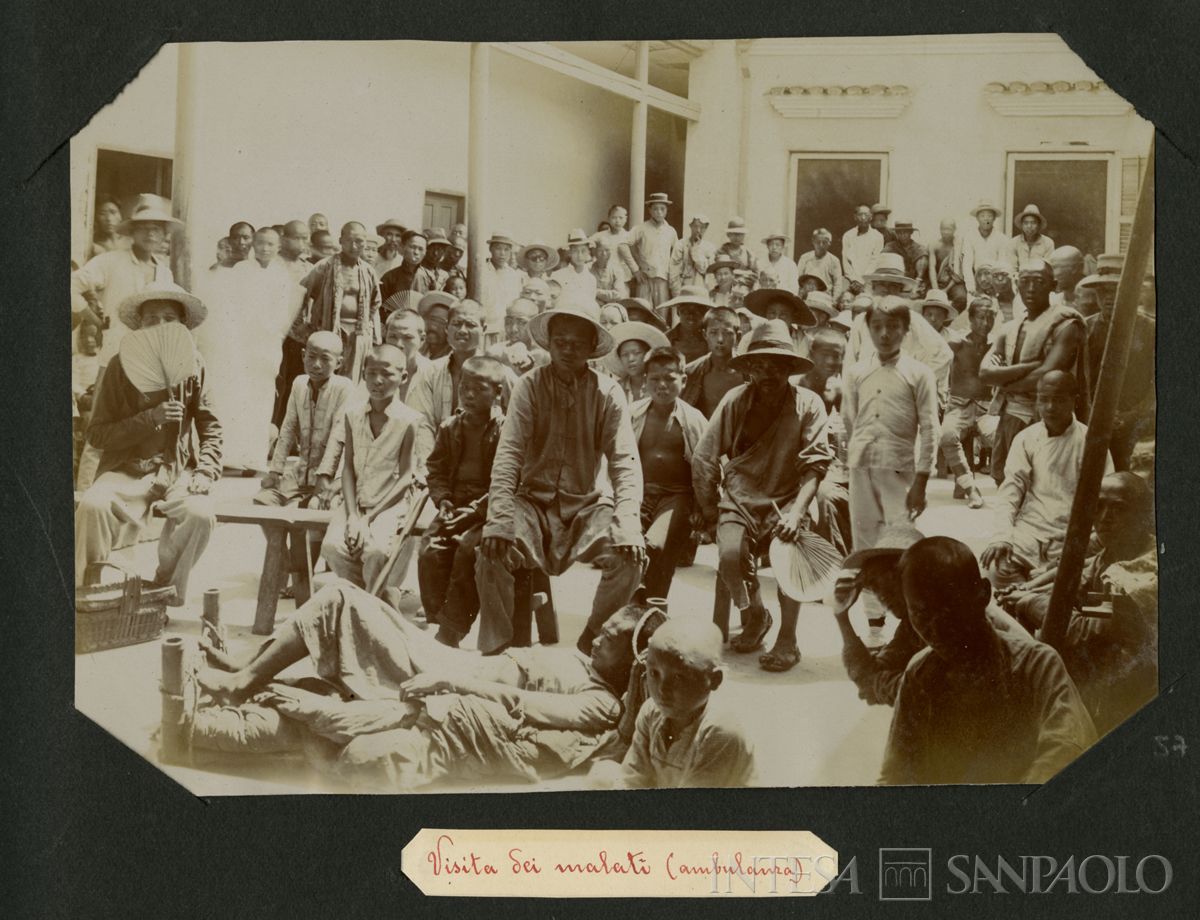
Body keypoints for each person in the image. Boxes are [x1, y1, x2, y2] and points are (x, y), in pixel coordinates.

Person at [476, 301, 646, 657]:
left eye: (577, 343)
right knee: (492, 549)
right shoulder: (529, 386)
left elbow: (625, 462)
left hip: (586, 505)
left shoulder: (607, 392)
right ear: (549, 344)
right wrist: (499, 520)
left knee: (630, 555)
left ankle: (594, 643)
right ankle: (497, 650)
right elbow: (508, 456)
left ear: (591, 349)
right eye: (561, 341)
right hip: (532, 503)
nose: (568, 350)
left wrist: (627, 521)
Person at [879, 536, 1096, 785]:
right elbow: (895, 773)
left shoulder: (1037, 665)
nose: (935, 628)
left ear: (983, 594)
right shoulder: (919, 673)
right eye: (919, 613)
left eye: (948, 609)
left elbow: (1067, 749)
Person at [693, 320, 833, 671]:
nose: (768, 374)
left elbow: (815, 466)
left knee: (791, 550)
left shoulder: (809, 403)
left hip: (789, 498)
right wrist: (711, 513)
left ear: (789, 368)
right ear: (750, 369)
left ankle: (788, 639)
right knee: (729, 555)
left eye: (776, 366)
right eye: (760, 365)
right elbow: (705, 457)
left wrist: (797, 512)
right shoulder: (736, 401)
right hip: (740, 497)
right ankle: (755, 613)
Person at [74, 285, 220, 606]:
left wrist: (207, 470)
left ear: (182, 326)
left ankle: (164, 587)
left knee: (201, 514)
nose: (159, 326)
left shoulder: (194, 365)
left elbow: (211, 425)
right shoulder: (118, 366)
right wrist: (150, 418)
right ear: (139, 326)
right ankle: (87, 594)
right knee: (92, 506)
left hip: (176, 470)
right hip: (126, 470)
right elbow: (97, 434)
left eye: (169, 319)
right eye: (151, 319)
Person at [998, 472, 1156, 735]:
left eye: (1118, 509)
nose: (1105, 517)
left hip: (1127, 694)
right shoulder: (1110, 555)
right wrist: (1025, 591)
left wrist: (1029, 602)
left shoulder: (1141, 571)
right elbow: (1078, 585)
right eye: (1099, 507)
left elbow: (1083, 628)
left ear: (1144, 517)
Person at [842, 297, 939, 639]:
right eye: (877, 327)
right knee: (866, 543)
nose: (885, 334)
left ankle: (907, 623)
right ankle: (874, 624)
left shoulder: (919, 373)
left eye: (893, 327)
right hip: (862, 466)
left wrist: (922, 480)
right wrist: (856, 456)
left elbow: (930, 427)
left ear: (906, 330)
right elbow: (850, 419)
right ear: (867, 329)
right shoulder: (856, 373)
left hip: (900, 470)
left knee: (900, 545)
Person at [981, 371, 1108, 587]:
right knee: (997, 568)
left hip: (1072, 536)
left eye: (1058, 400)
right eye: (1044, 399)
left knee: (1075, 578)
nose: (1050, 407)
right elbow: (1010, 492)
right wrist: (1002, 535)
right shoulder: (1026, 439)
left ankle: (1029, 595)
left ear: (1073, 401)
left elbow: (1104, 498)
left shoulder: (1091, 442)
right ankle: (1030, 595)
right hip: (1030, 532)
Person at [417, 356, 509, 648]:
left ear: (497, 393)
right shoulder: (450, 427)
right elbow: (436, 470)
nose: (469, 395)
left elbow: (507, 481)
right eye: (464, 387)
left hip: (491, 509)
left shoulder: (505, 431)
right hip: (455, 505)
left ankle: (452, 629)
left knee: (467, 550)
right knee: (431, 549)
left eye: (479, 389)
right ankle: (439, 618)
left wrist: (475, 511)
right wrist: (443, 499)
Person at [321, 344, 420, 590]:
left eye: (387, 374)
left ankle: (372, 600)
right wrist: (353, 515)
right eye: (371, 373)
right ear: (363, 374)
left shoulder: (409, 421)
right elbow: (347, 469)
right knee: (331, 547)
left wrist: (368, 519)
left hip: (389, 504)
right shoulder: (352, 415)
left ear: (403, 377)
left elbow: (407, 477)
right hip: (355, 501)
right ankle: (365, 596)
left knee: (375, 551)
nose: (378, 381)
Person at [979, 259, 1085, 486]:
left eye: (1038, 282)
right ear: (1017, 285)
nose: (1031, 288)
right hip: (1010, 415)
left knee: (1043, 484)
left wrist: (1005, 380)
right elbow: (986, 373)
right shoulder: (1010, 328)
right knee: (1006, 482)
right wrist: (1027, 367)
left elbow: (1047, 374)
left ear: (1053, 285)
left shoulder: (1066, 324)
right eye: (1025, 281)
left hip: (1047, 416)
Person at [201, 226, 296, 471]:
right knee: (239, 399)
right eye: (261, 243)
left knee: (262, 399)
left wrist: (271, 333)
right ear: (253, 245)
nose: (265, 248)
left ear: (278, 247)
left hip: (267, 345)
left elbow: (282, 313)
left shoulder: (282, 274)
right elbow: (232, 308)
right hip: (242, 345)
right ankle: (232, 455)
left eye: (270, 244)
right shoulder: (241, 271)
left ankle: (254, 457)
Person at [619, 618, 755, 788]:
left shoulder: (722, 732)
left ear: (714, 680)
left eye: (678, 677)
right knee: (603, 775)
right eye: (654, 673)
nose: (663, 689)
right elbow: (632, 778)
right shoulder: (651, 712)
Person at [628, 347, 707, 604]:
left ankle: (652, 607)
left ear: (683, 380)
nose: (662, 385)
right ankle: (631, 606)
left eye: (670, 378)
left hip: (676, 497)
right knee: (625, 547)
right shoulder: (633, 415)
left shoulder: (694, 420)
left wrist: (701, 507)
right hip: (638, 495)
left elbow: (707, 467)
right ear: (645, 381)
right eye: (654, 379)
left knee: (655, 546)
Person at [408, 299, 517, 471]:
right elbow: (423, 424)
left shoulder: (503, 374)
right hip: (439, 467)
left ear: (484, 329)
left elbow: (516, 424)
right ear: (447, 329)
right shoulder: (430, 372)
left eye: (470, 325)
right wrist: (430, 471)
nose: (462, 331)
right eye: (456, 324)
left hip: (490, 468)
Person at [71, 200, 179, 366]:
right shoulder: (110, 261)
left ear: (164, 235)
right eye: (143, 228)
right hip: (115, 351)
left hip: (151, 356)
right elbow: (71, 286)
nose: (150, 234)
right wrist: (96, 322)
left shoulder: (165, 273)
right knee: (109, 390)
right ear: (132, 232)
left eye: (156, 229)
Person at [1079, 260, 1155, 470]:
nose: (1109, 298)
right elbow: (1080, 383)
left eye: (1116, 290)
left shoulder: (1150, 329)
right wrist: (1093, 414)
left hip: (1138, 428)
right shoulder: (1085, 329)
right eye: (1102, 291)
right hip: (1093, 425)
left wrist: (1131, 417)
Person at [300, 221, 382, 383]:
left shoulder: (368, 271)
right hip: (329, 331)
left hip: (357, 335)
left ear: (365, 242)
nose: (354, 246)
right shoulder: (324, 267)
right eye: (349, 240)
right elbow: (302, 293)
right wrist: (304, 327)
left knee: (352, 383)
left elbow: (375, 302)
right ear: (340, 241)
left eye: (359, 241)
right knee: (326, 379)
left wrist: (368, 329)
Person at [939, 296, 998, 509]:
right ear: (971, 319)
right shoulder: (957, 343)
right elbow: (935, 360)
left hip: (986, 409)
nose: (985, 323)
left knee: (1003, 438)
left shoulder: (996, 345)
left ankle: (1008, 488)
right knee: (946, 434)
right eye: (981, 317)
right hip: (959, 406)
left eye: (990, 317)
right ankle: (969, 487)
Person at [801, 327, 852, 556]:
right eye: (825, 354)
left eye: (838, 355)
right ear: (812, 353)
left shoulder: (843, 389)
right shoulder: (798, 387)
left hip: (835, 467)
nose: (832, 361)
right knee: (823, 496)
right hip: (800, 466)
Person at [680, 305, 747, 418]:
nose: (720, 339)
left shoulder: (749, 375)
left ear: (738, 337)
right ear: (704, 335)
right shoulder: (690, 372)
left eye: (727, 333)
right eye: (714, 333)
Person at [624, 192, 678, 307]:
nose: (659, 212)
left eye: (662, 209)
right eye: (655, 209)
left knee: (662, 311)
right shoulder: (641, 228)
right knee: (643, 309)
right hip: (645, 277)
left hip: (663, 278)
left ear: (666, 210)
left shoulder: (671, 231)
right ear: (649, 210)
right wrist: (636, 269)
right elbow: (626, 244)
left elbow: (676, 254)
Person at [605, 320, 671, 404]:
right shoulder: (615, 389)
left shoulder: (661, 386)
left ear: (648, 355)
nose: (631, 359)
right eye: (625, 355)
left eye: (637, 353)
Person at [741, 287, 815, 358]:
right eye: (772, 313)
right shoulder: (750, 338)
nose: (777, 318)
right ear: (766, 314)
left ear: (792, 316)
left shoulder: (805, 341)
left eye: (783, 315)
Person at [380, 230, 438, 313]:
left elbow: (432, 307)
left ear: (425, 252)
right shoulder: (389, 277)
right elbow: (381, 308)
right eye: (413, 247)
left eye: (421, 249)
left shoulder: (429, 278)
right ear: (403, 248)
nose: (416, 252)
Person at [960, 199, 1008, 298]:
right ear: (977, 218)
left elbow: (1002, 264)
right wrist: (972, 288)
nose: (986, 219)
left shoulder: (1002, 238)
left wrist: (997, 286)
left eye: (989, 216)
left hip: (995, 282)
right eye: (982, 216)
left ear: (994, 218)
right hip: (976, 282)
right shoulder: (969, 237)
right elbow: (967, 265)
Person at [487, 297, 547, 375]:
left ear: (534, 325)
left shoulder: (544, 355)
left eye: (522, 323)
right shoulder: (495, 353)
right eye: (508, 322)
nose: (513, 329)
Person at [383, 309, 431, 405]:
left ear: (422, 339)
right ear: (385, 336)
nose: (399, 344)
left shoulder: (433, 374)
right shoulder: (374, 370)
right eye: (393, 336)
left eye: (407, 337)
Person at [479, 232, 524, 328]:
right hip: (485, 326)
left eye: (506, 249)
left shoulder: (513, 275)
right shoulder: (481, 271)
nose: (502, 253)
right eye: (498, 248)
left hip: (506, 327)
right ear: (490, 249)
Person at [659, 285, 712, 364]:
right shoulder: (665, 339)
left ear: (706, 313)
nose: (691, 316)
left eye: (698, 310)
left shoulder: (712, 339)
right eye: (686, 311)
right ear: (678, 311)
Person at [841, 204, 885, 294]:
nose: (863, 217)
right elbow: (846, 261)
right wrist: (854, 280)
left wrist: (862, 281)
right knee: (844, 299)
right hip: (850, 280)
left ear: (871, 217)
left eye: (866, 215)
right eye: (860, 215)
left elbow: (875, 261)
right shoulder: (848, 235)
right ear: (855, 217)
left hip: (869, 280)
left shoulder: (878, 237)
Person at [669, 214, 717, 296]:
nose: (698, 230)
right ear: (691, 226)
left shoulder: (710, 248)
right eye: (696, 226)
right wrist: (676, 291)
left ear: (706, 228)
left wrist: (696, 251)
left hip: (702, 287)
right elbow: (674, 269)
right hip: (684, 287)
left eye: (702, 227)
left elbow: (707, 271)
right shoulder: (680, 244)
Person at [592, 205, 634, 298]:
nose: (617, 221)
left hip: (623, 279)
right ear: (609, 219)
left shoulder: (630, 237)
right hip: (603, 278)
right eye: (614, 218)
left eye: (620, 218)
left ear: (626, 219)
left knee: (622, 301)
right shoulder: (599, 236)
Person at [927, 217, 966, 313]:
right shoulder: (934, 245)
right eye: (943, 229)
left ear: (954, 230)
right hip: (937, 282)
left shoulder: (959, 245)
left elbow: (958, 272)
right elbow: (932, 268)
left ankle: (947, 321)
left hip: (954, 282)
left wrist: (946, 290)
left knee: (961, 298)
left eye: (949, 229)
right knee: (930, 299)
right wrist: (936, 289)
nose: (946, 232)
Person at [550, 229, 599, 303]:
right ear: (569, 253)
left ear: (588, 252)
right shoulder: (557, 276)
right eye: (575, 251)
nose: (579, 255)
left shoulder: (591, 279)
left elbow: (590, 303)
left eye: (583, 251)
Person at [796, 229, 844, 299]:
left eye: (824, 242)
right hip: (806, 296)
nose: (821, 245)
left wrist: (834, 301)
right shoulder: (804, 258)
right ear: (813, 241)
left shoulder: (834, 261)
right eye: (818, 242)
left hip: (825, 297)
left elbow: (838, 284)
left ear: (829, 243)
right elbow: (798, 279)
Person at [883, 220, 928, 295]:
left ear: (911, 233)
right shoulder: (891, 246)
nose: (902, 235)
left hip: (912, 280)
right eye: (899, 232)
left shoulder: (919, 248)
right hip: (894, 279)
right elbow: (884, 259)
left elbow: (922, 260)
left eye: (905, 232)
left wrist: (918, 280)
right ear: (896, 233)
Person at [1010, 204, 1055, 271]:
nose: (1029, 226)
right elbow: (1012, 268)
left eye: (1033, 223)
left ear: (1039, 225)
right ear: (1022, 225)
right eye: (1026, 223)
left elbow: (1048, 269)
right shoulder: (1013, 242)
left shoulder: (1048, 243)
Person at [89, 195, 130, 260]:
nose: (109, 219)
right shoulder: (91, 243)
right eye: (102, 213)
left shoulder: (130, 242)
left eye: (113, 212)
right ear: (95, 218)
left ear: (120, 216)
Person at [1048, 245, 1086, 309]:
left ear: (1075, 268)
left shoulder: (1094, 301)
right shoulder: (1052, 302)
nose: (1050, 274)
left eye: (1055, 267)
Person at [590, 235, 625, 304]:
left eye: (607, 250)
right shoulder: (588, 269)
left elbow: (619, 294)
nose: (604, 254)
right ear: (595, 252)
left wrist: (596, 292)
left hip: (612, 307)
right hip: (593, 306)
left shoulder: (617, 270)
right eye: (600, 250)